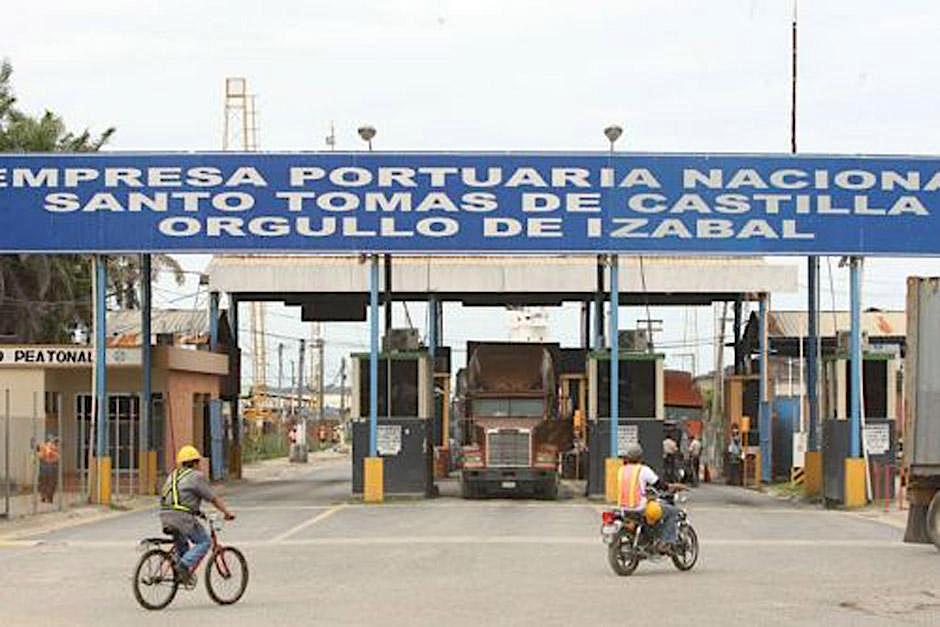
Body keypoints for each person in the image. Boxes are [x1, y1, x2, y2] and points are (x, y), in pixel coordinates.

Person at [160, 445, 235, 584]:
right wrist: (227, 512)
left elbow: (179, 499)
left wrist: (198, 512)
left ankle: (183, 574)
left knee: (182, 543)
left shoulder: (173, 475)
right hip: (182, 518)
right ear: (195, 463)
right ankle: (183, 565)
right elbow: (213, 498)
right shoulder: (196, 476)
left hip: (165, 516)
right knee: (205, 541)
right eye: (198, 462)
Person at [618, 443, 684, 552]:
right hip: (639, 507)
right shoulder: (643, 470)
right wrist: (672, 487)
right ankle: (665, 543)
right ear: (640, 457)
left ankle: (648, 538)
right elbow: (659, 485)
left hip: (624, 509)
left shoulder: (622, 470)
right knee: (673, 512)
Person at [37, 435, 60, 503]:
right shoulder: (48, 447)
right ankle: (47, 496)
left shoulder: (47, 447)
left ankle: (45, 496)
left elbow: (40, 456)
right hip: (49, 465)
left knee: (45, 482)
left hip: (46, 465)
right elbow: (57, 457)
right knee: (49, 482)